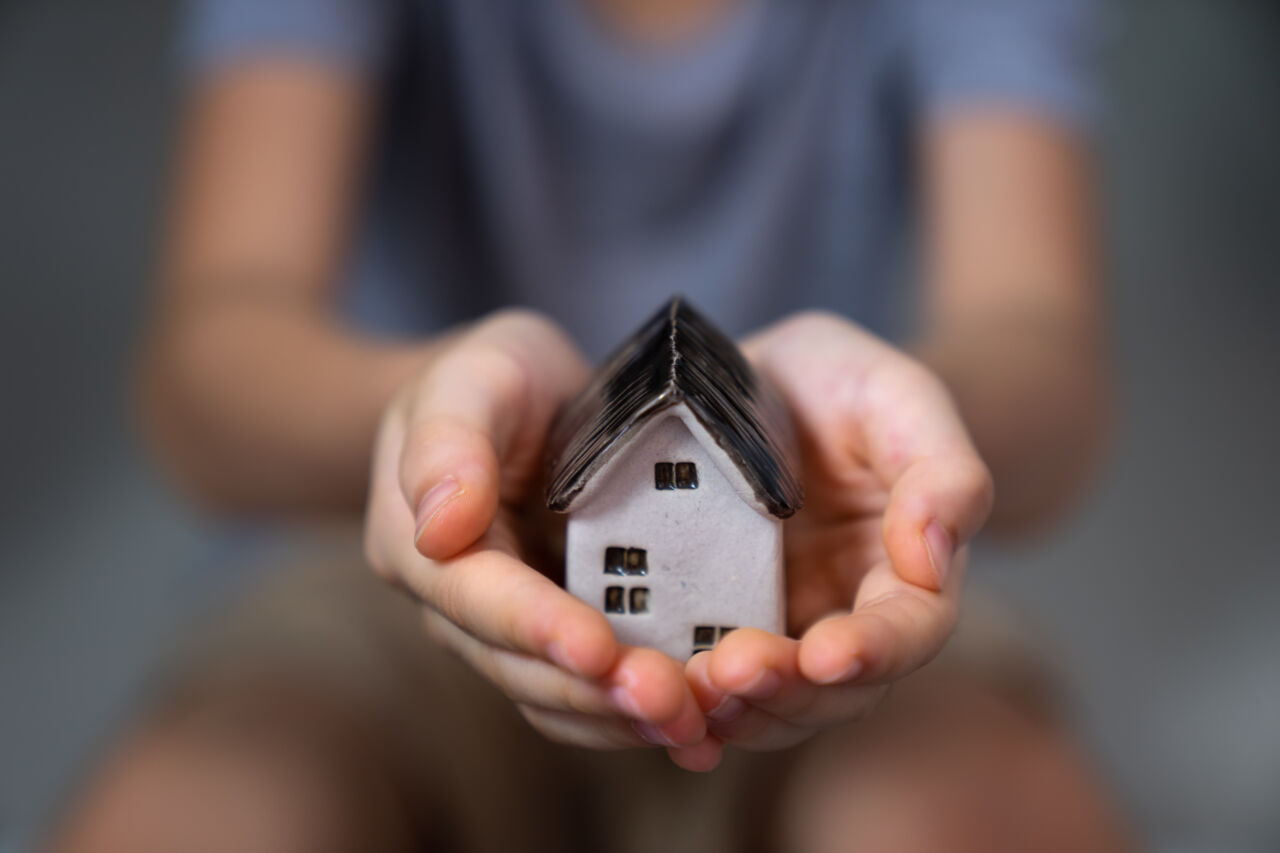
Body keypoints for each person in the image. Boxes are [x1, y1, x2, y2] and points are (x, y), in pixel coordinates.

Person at [50, 0, 1131, 850]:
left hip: (833, 563)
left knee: (958, 809)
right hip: (365, 572)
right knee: (218, 805)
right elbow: (205, 377)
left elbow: (1034, 347)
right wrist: (420, 416)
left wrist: (907, 430)